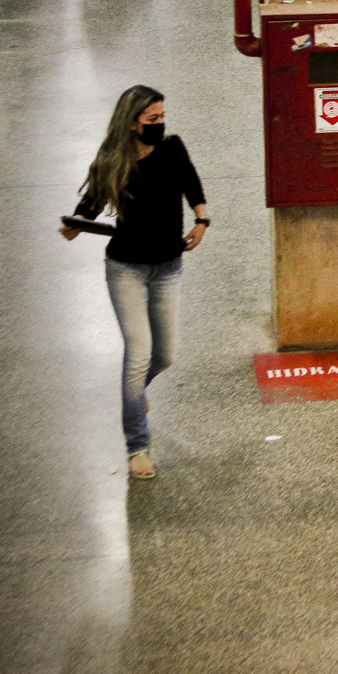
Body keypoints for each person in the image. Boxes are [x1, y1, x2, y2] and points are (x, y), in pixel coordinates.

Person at [59, 86, 209, 481]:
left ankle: (133, 396)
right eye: (152, 120)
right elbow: (91, 202)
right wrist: (75, 224)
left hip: (168, 265)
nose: (160, 125)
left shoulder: (173, 149)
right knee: (138, 351)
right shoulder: (113, 161)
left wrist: (201, 219)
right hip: (125, 267)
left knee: (165, 356)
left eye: (162, 118)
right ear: (131, 123)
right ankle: (137, 446)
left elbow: (190, 183)